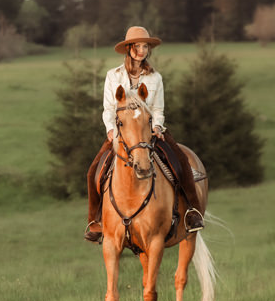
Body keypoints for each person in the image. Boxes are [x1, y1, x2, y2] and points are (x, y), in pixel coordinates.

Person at [84, 26, 204, 242]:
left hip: (150, 132)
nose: (142, 50)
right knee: (94, 170)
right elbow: (108, 109)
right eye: (138, 46)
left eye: (145, 46)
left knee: (180, 163)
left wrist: (157, 126)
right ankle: (96, 220)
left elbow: (158, 109)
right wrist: (111, 130)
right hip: (122, 134)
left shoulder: (155, 78)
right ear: (128, 49)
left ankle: (192, 212)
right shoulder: (113, 76)